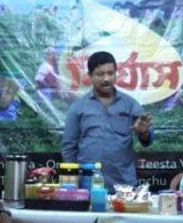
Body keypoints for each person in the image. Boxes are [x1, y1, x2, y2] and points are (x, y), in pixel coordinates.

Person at [62, 51, 154, 190]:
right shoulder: (78, 108)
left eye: (111, 73)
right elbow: (69, 147)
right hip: (87, 186)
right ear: (90, 76)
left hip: (124, 186)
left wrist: (144, 133)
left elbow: (147, 140)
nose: (106, 79)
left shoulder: (130, 105)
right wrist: (73, 182)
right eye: (100, 74)